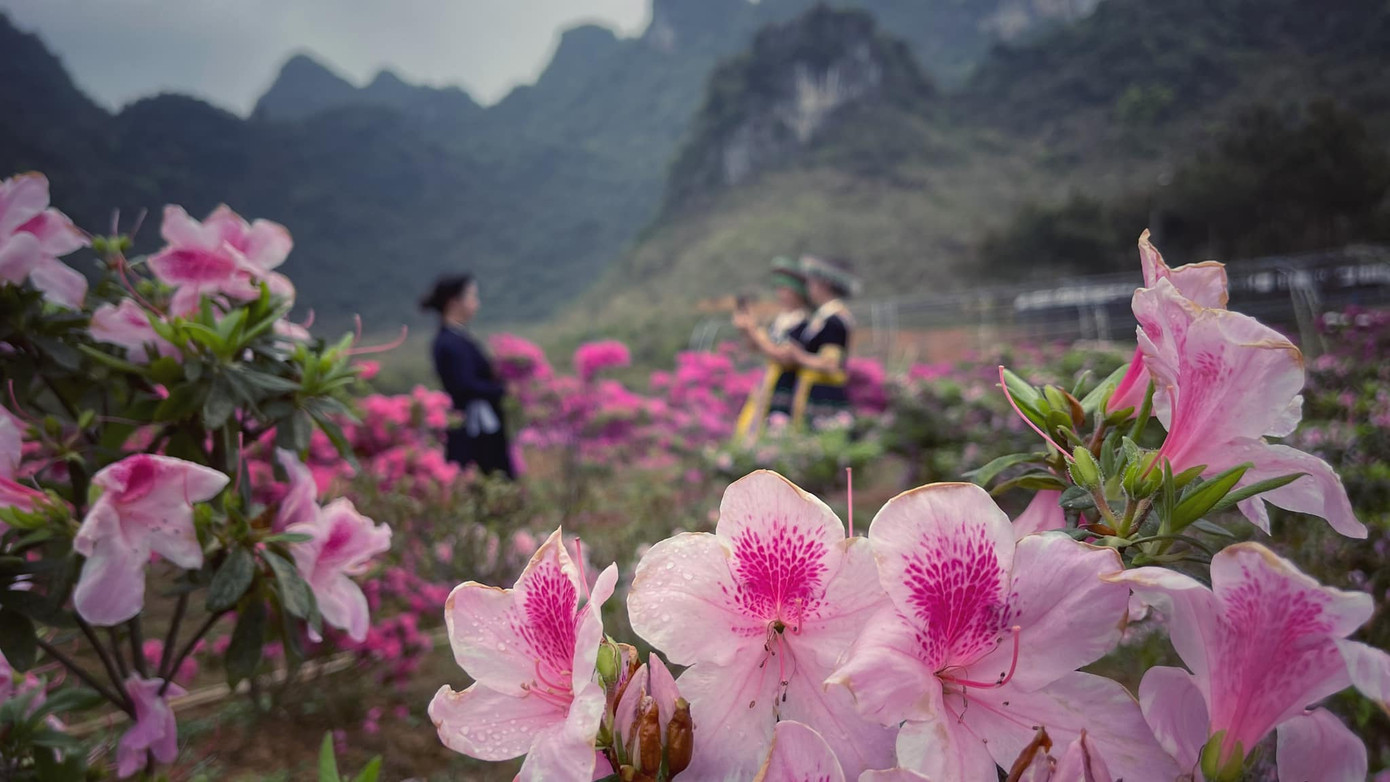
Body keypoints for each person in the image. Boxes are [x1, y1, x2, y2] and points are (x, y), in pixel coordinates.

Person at [420, 274, 516, 479]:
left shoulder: (456, 338)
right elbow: (466, 385)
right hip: (472, 429)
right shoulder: (450, 342)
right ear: (454, 302)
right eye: (472, 297)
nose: (476, 303)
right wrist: (502, 389)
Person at [732, 257, 811, 444]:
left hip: (788, 384)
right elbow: (759, 348)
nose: (780, 294)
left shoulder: (804, 322)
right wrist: (747, 331)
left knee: (779, 432)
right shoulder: (781, 319)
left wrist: (754, 330)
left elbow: (782, 355)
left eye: (785, 289)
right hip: (769, 382)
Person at [787, 255, 859, 428]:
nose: (808, 288)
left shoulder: (834, 319)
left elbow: (830, 363)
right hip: (813, 389)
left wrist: (798, 356)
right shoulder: (821, 317)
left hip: (824, 394)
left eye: (811, 282)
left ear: (824, 284)